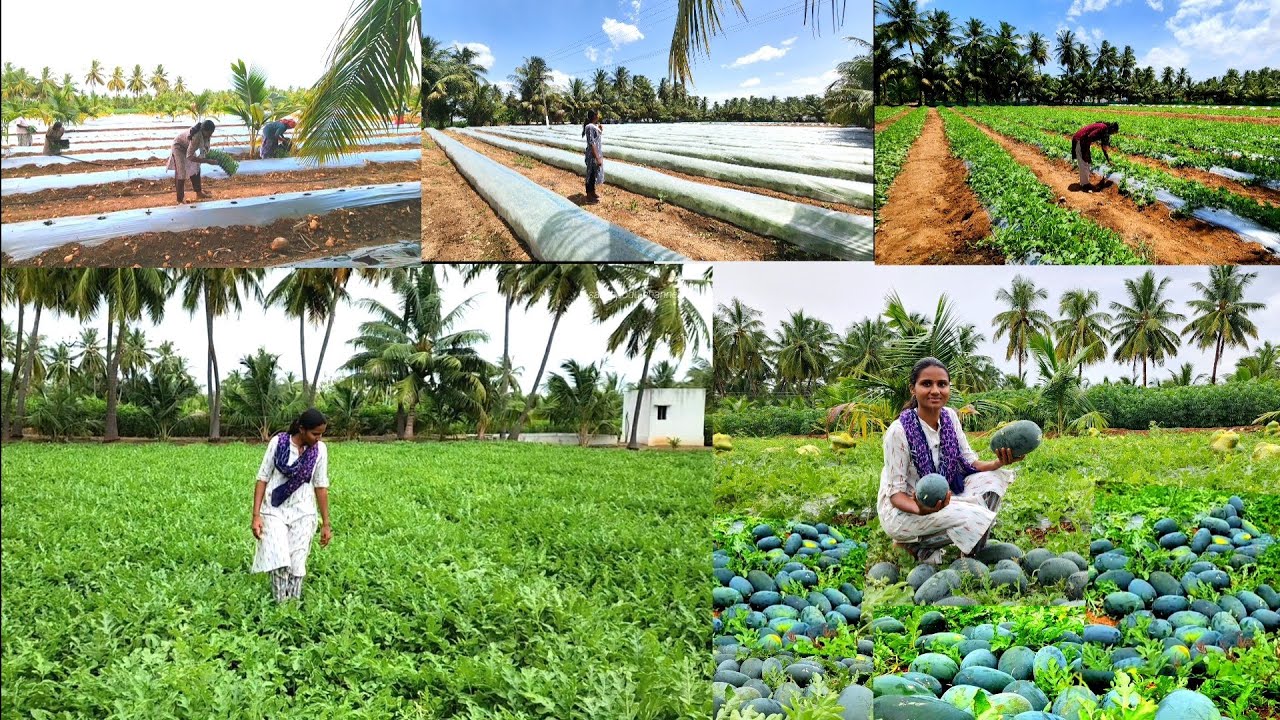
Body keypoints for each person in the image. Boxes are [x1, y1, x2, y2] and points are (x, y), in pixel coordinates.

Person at [877, 357, 1023, 566]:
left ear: (948, 388)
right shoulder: (898, 432)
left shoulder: (950, 418)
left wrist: (998, 462)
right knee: (976, 516)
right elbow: (895, 495)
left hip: (945, 496)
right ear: (913, 389)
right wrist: (921, 509)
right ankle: (914, 544)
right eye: (927, 384)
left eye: (942, 384)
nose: (935, 390)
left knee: (994, 479)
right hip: (904, 510)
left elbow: (970, 462)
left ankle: (970, 554)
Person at [251, 408, 332, 603]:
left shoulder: (319, 450)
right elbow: (262, 479)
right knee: (279, 560)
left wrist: (326, 523)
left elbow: (320, 486)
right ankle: (281, 606)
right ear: (302, 429)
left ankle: (292, 607)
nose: (319, 438)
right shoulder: (278, 443)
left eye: (321, 434)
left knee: (297, 564)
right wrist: (256, 515)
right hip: (274, 510)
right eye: (315, 434)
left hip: (303, 512)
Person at [168, 120, 218, 204]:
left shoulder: (206, 134)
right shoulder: (196, 136)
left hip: (188, 147)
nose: (210, 135)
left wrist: (209, 157)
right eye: (209, 133)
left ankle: (199, 193)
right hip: (179, 147)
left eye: (211, 133)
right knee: (181, 172)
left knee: (196, 168)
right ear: (203, 130)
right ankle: (179, 200)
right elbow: (189, 156)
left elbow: (205, 149)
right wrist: (207, 161)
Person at [1071, 121, 1119, 191]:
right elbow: (1090, 136)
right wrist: (1086, 149)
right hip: (1080, 140)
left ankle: (1085, 183)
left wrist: (1108, 160)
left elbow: (1103, 148)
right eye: (1114, 132)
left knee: (1087, 161)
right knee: (1084, 163)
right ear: (1112, 129)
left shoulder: (1104, 129)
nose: (1112, 134)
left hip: (1083, 141)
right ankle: (1085, 185)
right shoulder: (1104, 128)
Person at [582, 109, 605, 204]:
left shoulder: (593, 126)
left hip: (596, 154)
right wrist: (597, 157)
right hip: (592, 155)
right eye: (597, 114)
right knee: (590, 174)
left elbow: (596, 138)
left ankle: (593, 192)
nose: (599, 115)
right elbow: (592, 143)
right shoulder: (590, 127)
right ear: (595, 116)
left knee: (594, 173)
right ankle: (588, 195)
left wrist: (600, 130)